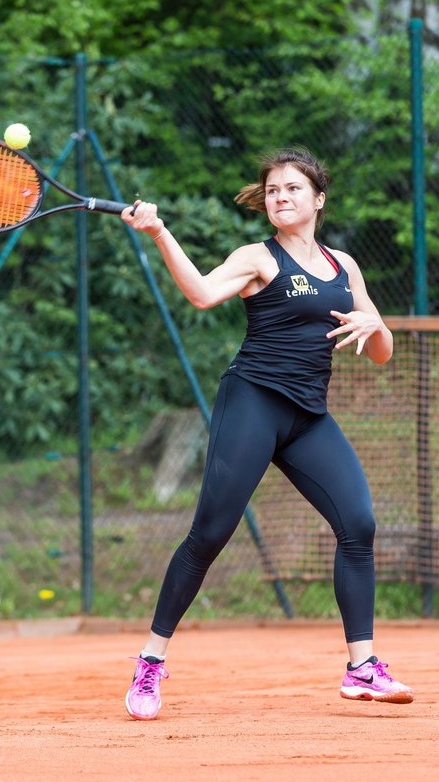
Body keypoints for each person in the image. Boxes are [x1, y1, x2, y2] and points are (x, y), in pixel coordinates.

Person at [118, 146, 413, 721]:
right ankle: (151, 661)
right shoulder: (258, 257)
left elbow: (380, 354)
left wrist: (377, 324)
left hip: (308, 416)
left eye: (293, 189)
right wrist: (158, 231)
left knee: (358, 523)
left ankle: (361, 668)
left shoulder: (343, 266)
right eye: (273, 190)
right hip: (253, 403)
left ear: (318, 199)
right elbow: (202, 294)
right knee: (210, 533)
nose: (281, 197)